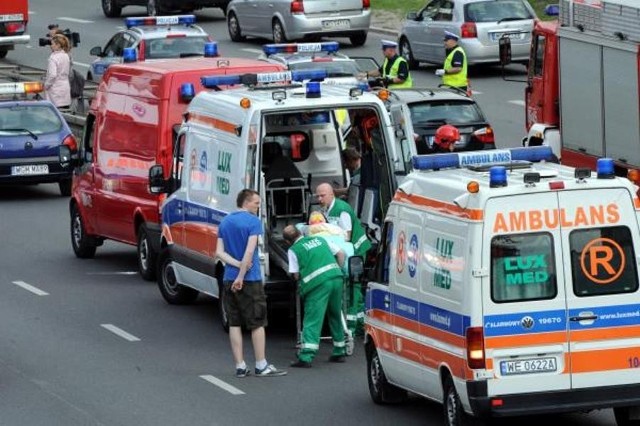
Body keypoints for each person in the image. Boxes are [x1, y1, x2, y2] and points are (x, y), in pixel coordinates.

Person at [216, 189, 287, 378]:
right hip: (249, 279)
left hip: (228, 278)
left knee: (234, 322)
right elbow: (249, 252)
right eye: (256, 203)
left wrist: (235, 267)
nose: (258, 206)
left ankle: (240, 366)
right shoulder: (254, 222)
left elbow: (219, 253)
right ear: (246, 202)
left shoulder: (225, 221)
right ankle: (261, 364)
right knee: (257, 322)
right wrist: (241, 274)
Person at [284, 225, 347, 368]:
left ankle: (306, 356)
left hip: (317, 285)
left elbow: (295, 274)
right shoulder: (320, 239)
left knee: (312, 319)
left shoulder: (293, 250)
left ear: (288, 242)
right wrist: (338, 269)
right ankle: (339, 350)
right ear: (301, 233)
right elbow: (341, 254)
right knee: (335, 314)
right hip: (336, 278)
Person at [315, 182, 371, 336]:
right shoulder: (325, 209)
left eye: (322, 195)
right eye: (317, 196)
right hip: (347, 250)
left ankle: (352, 326)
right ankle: (360, 322)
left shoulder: (342, 209)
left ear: (332, 194)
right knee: (353, 288)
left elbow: (347, 235)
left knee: (353, 286)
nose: (319, 199)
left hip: (356, 250)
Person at [44, 33, 71, 109]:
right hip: (65, 88)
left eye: (52, 44)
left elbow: (52, 75)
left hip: (55, 91)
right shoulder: (66, 56)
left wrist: (46, 85)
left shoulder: (53, 58)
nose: (51, 46)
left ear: (58, 45)